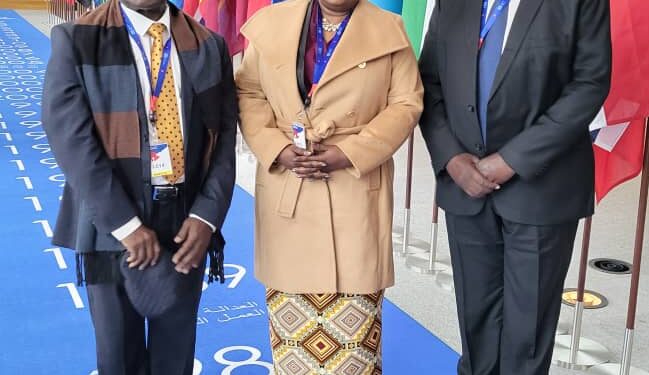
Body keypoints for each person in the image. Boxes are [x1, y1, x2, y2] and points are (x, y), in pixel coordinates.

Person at [42, 0, 238, 373]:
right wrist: (126, 225)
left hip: (186, 224)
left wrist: (207, 216)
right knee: (118, 357)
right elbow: (71, 139)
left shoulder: (209, 45)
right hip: (108, 222)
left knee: (175, 358)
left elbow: (224, 137)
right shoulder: (77, 39)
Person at [419, 0, 611, 374]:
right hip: (465, 184)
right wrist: (452, 159)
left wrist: (512, 160)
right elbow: (428, 80)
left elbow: (589, 83)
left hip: (541, 187)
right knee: (476, 319)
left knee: (528, 330)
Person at [236, 0, 423, 373]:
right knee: (291, 338)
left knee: (355, 338)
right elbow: (249, 92)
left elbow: (406, 103)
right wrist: (277, 148)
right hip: (288, 188)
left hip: (354, 187)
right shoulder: (271, 23)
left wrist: (350, 152)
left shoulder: (389, 28)